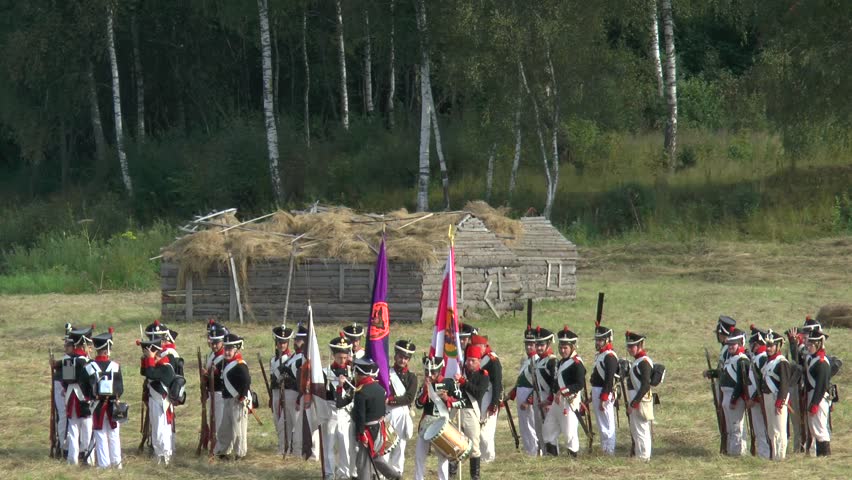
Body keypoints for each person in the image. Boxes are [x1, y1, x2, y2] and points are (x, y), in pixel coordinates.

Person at [442, 342, 490, 480]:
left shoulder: (483, 375)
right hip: (456, 409)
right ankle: (452, 475)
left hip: (470, 411)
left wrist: (463, 382)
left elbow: (478, 393)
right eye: (468, 360)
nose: (469, 363)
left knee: (474, 446)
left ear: (479, 361)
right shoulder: (459, 371)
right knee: (453, 443)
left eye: (472, 361)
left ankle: (475, 476)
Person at [352, 358, 400, 480]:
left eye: (356, 373)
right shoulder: (380, 389)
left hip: (368, 430)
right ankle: (394, 475)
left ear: (359, 373)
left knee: (363, 461)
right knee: (376, 456)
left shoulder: (361, 392)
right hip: (380, 427)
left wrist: (361, 433)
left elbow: (360, 416)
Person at [544, 326, 585, 457]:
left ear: (573, 347)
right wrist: (551, 398)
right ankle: (552, 456)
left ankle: (573, 461)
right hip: (557, 401)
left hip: (569, 401)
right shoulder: (561, 362)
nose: (562, 350)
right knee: (548, 429)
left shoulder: (577, 363)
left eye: (565, 348)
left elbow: (580, 384)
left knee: (569, 433)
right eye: (561, 347)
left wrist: (563, 391)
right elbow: (556, 382)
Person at [86, 328, 124, 468]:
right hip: (113, 404)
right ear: (107, 349)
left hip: (97, 405)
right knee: (114, 433)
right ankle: (117, 462)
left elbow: (86, 388)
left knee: (100, 434)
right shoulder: (115, 366)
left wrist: (93, 396)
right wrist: (115, 396)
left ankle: (104, 464)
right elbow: (120, 388)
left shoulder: (89, 367)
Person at [322, 334, 355, 479]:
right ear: (333, 355)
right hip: (330, 411)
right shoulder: (325, 372)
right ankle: (329, 473)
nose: (342, 361)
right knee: (328, 445)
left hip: (346, 412)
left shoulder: (353, 372)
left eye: (345, 357)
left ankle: (344, 473)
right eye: (339, 357)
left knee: (345, 446)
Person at [786, 316, 821, 453]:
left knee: (812, 424)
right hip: (800, 389)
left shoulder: (817, 354)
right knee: (798, 422)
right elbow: (797, 361)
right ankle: (799, 448)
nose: (804, 336)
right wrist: (793, 344)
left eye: (807, 334)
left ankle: (812, 450)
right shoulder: (805, 350)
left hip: (812, 391)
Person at [215, 333, 252, 461]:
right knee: (224, 428)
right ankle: (223, 452)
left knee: (238, 430)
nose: (227, 351)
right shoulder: (225, 363)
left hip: (237, 401)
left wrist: (242, 396)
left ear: (236, 349)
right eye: (226, 348)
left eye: (230, 348)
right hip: (227, 399)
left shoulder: (240, 365)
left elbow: (246, 381)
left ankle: (240, 454)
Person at [139, 337, 176, 465]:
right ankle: (158, 454)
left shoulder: (166, 367)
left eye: (153, 356)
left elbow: (151, 373)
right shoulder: (158, 365)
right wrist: (146, 357)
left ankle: (165, 456)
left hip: (161, 403)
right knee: (156, 430)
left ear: (158, 354)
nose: (152, 360)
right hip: (154, 402)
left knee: (161, 431)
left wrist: (150, 358)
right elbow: (144, 371)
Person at [413, 356, 450, 480]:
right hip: (426, 423)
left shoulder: (447, 383)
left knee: (443, 457)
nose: (430, 375)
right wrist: (425, 389)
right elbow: (418, 404)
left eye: (433, 372)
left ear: (439, 371)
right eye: (427, 372)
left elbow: (457, 401)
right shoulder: (424, 386)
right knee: (419, 455)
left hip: (441, 424)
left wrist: (447, 399)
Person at [62, 325, 94, 465]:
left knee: (73, 428)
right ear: (85, 344)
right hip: (84, 397)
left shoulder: (67, 359)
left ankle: (72, 459)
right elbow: (91, 382)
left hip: (70, 396)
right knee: (87, 427)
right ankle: (88, 457)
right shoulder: (86, 362)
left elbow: (66, 381)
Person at [386, 339, 418, 476]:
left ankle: (397, 471)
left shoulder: (412, 377)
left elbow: (409, 398)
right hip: (387, 412)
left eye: (406, 358)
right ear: (395, 356)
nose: (402, 360)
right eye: (400, 356)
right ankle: (384, 472)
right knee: (386, 443)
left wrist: (392, 400)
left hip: (402, 413)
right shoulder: (387, 373)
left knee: (400, 445)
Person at [506, 327, 540, 456]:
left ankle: (534, 451)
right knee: (524, 426)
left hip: (529, 398)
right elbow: (520, 381)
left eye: (531, 344)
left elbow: (537, 385)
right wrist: (511, 394)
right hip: (521, 395)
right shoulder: (525, 361)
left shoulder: (536, 361)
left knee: (531, 425)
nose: (529, 347)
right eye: (527, 344)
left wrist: (529, 400)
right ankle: (528, 450)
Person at [469, 334, 502, 463]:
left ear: (484, 346)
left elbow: (497, 383)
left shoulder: (492, 360)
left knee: (486, 430)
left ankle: (488, 457)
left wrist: (494, 403)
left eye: (478, 347)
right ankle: (481, 456)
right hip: (479, 397)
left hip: (489, 396)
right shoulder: (477, 358)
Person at [624, 331, 655, 461]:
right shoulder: (638, 361)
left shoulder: (644, 362)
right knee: (636, 429)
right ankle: (639, 454)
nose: (630, 349)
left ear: (640, 345)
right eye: (629, 346)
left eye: (633, 346)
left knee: (642, 430)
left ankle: (644, 457)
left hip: (640, 400)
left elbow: (645, 385)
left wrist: (634, 402)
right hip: (636, 399)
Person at [291, 324, 320, 460]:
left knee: (312, 425)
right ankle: (301, 451)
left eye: (299, 340)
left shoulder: (311, 360)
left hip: (312, 396)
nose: (296, 342)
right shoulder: (301, 359)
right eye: (296, 340)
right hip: (302, 394)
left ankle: (313, 453)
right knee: (300, 426)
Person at [760, 330, 790, 460]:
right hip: (768, 397)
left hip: (777, 398)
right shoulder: (768, 362)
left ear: (778, 346)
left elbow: (784, 384)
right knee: (771, 429)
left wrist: (780, 401)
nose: (768, 348)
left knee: (779, 429)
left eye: (771, 345)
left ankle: (780, 457)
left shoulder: (782, 362)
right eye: (767, 345)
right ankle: (774, 455)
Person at [720, 328, 750, 456]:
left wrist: (733, 399)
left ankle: (739, 453)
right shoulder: (731, 358)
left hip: (735, 397)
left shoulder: (742, 360)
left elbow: (741, 383)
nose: (731, 347)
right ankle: (732, 451)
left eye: (733, 344)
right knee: (730, 428)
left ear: (739, 344)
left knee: (737, 427)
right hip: (727, 395)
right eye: (729, 344)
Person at [590, 323, 618, 455]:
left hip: (604, 392)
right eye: (597, 339)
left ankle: (609, 451)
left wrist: (604, 397)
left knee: (607, 424)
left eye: (601, 340)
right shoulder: (600, 355)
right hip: (598, 392)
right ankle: (605, 448)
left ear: (607, 340)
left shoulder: (610, 356)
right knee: (601, 424)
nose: (598, 342)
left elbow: (609, 379)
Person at [805, 327, 832, 456]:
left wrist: (815, 404)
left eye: (811, 344)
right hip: (814, 396)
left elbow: (820, 386)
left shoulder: (822, 363)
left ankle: (825, 456)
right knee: (815, 428)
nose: (808, 347)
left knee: (820, 429)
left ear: (819, 344)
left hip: (819, 398)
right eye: (808, 344)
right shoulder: (813, 359)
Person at [532, 327, 558, 456]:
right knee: (539, 429)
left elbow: (554, 382)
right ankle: (544, 452)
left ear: (548, 344)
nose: (539, 348)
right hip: (538, 397)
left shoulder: (552, 361)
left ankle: (553, 454)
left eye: (541, 344)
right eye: (537, 344)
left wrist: (549, 400)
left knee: (549, 429)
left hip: (548, 398)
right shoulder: (537, 361)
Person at [269, 323, 294, 456]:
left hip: (284, 393)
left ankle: (286, 447)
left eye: (284, 342)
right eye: (280, 341)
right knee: (276, 419)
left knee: (284, 422)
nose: (282, 345)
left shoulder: (289, 359)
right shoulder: (273, 359)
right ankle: (281, 444)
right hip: (274, 393)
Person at [746, 325, 771, 459]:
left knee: (762, 428)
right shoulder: (757, 357)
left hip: (758, 400)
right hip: (755, 399)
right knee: (758, 428)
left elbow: (761, 382)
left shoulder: (761, 358)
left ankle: (766, 454)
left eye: (753, 343)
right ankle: (763, 453)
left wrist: (753, 398)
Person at [204, 320, 228, 452]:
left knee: (219, 423)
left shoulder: (225, 357)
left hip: (220, 393)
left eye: (216, 343)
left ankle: (220, 449)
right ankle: (214, 447)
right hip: (211, 393)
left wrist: (212, 374)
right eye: (212, 342)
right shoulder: (212, 355)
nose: (213, 345)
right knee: (212, 421)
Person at [52, 324, 75, 460]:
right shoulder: (66, 360)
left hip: (67, 389)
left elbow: (69, 379)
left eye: (68, 344)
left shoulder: (68, 360)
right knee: (63, 417)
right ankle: (63, 447)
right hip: (61, 386)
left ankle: (68, 447)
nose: (65, 347)